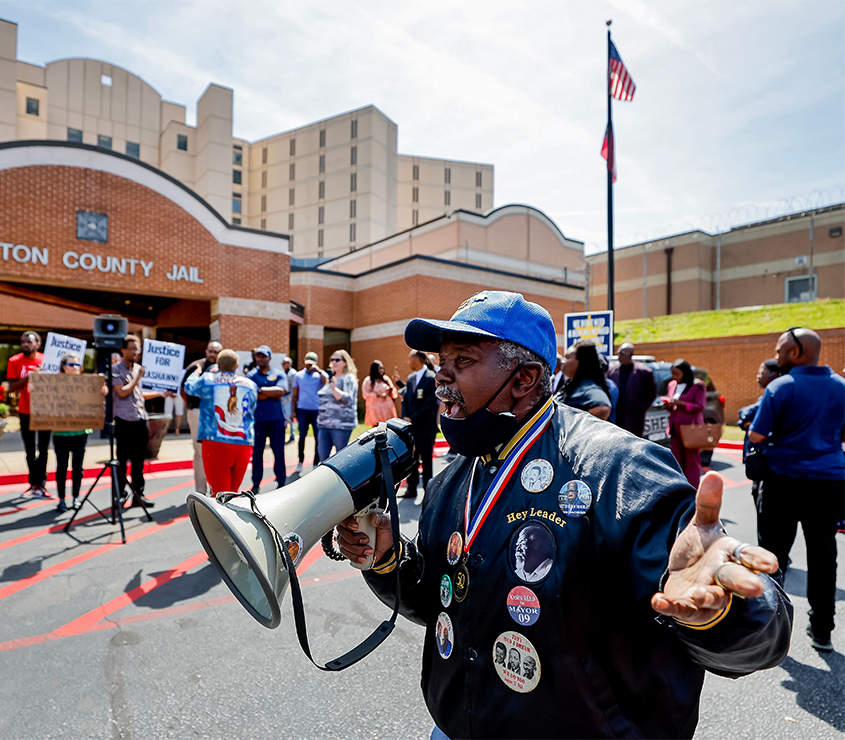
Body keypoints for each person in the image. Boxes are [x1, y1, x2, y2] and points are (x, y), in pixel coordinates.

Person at [336, 290, 791, 739]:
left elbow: (757, 633)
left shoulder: (619, 468)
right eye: (442, 365)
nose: (442, 379)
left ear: (525, 378)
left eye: (464, 362)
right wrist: (389, 558)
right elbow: (444, 600)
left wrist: (726, 612)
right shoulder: (452, 479)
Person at [749, 327, 845, 653]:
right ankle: (823, 630)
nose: (776, 357)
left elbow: (757, 436)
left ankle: (769, 629)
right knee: (823, 556)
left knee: (773, 556)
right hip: (828, 483)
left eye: (779, 351)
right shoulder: (841, 387)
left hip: (782, 483)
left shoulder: (781, 386)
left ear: (795, 353)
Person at [184, 349, 259, 494]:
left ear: (218, 365)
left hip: (215, 443)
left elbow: (189, 387)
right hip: (242, 443)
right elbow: (252, 407)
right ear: (237, 367)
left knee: (219, 496)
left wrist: (196, 372)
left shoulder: (207, 379)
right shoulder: (250, 385)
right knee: (232, 493)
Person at [51, 352, 107, 513]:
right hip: (61, 433)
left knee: (78, 466)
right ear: (63, 367)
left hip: (81, 432)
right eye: (71, 364)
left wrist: (101, 392)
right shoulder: (54, 383)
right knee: (62, 466)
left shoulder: (87, 383)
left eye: (77, 364)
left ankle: (76, 497)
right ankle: (61, 499)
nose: (75, 367)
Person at [112, 334, 161, 509]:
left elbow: (138, 393)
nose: (135, 352)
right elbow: (123, 392)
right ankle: (120, 494)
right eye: (132, 348)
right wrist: (138, 377)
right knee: (122, 460)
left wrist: (160, 394)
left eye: (137, 349)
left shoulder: (137, 369)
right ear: (123, 350)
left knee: (139, 461)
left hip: (140, 419)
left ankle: (138, 495)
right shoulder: (116, 369)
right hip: (124, 421)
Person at [6, 331, 50, 498]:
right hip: (25, 411)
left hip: (45, 412)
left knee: (44, 449)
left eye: (29, 342)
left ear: (37, 344)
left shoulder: (46, 360)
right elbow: (12, 387)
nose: (25, 344)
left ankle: (42, 483)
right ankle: (33, 484)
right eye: (23, 341)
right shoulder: (14, 361)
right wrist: (28, 377)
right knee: (30, 450)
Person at [737, 359, 780, 512]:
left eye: (761, 372)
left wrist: (751, 423)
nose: (758, 376)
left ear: (773, 375)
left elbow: (746, 414)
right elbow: (742, 418)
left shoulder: (772, 396)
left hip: (767, 463)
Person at [181, 341, 222, 495]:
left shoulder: (222, 368)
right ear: (206, 351)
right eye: (211, 351)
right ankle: (200, 491)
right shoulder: (195, 367)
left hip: (217, 414)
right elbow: (183, 389)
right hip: (197, 412)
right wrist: (191, 406)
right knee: (199, 450)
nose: (213, 354)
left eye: (216, 352)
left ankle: (215, 490)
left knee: (216, 451)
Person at [247, 345, 288, 491]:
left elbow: (280, 391)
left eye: (263, 356)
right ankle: (256, 484)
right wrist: (269, 392)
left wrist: (260, 390)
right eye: (258, 356)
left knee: (278, 451)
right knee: (257, 453)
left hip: (277, 420)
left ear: (270, 357)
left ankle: (281, 482)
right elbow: (251, 395)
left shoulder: (279, 374)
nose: (260, 358)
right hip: (258, 421)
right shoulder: (251, 375)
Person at [663, 359, 707, 488]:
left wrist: (680, 404)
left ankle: (693, 491)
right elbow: (673, 408)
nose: (674, 377)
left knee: (692, 462)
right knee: (677, 461)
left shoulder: (697, 385)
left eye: (677, 374)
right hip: (675, 428)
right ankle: (681, 489)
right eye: (673, 374)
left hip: (691, 429)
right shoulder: (672, 384)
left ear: (685, 373)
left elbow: (700, 406)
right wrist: (669, 404)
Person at [403, 349, 438, 500]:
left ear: (417, 359)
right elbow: (405, 400)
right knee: (412, 459)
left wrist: (413, 418)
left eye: (410, 358)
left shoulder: (431, 378)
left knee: (426, 459)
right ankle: (411, 489)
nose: (408, 361)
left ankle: (428, 491)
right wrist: (405, 416)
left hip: (425, 427)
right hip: (411, 427)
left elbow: (430, 405)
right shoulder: (410, 378)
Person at [316, 350, 358, 463]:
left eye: (337, 360)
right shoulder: (331, 378)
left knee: (340, 460)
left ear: (345, 362)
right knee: (323, 459)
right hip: (324, 425)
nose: (334, 362)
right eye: (332, 360)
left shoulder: (348, 378)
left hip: (340, 425)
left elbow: (348, 399)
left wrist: (334, 389)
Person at [609, 342, 657, 437]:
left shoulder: (644, 372)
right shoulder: (611, 371)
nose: (619, 356)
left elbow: (651, 394)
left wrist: (640, 409)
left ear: (630, 355)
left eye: (622, 354)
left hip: (634, 419)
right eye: (618, 353)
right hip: (615, 419)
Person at [557, 340, 611, 420]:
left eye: (567, 357)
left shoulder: (588, 388)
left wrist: (578, 427)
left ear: (581, 361)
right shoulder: (571, 385)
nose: (563, 361)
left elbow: (603, 409)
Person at [291, 351, 328, 469]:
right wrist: (293, 410)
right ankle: (300, 461)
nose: (309, 366)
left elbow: (327, 383)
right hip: (302, 409)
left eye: (311, 364)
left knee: (318, 437)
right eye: (307, 363)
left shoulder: (319, 375)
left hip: (316, 410)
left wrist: (319, 371)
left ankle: (316, 461)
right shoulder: (298, 375)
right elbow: (295, 394)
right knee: (302, 436)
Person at [362, 360, 399, 427]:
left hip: (387, 408)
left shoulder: (386, 379)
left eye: (382, 368)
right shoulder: (368, 381)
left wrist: (391, 391)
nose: (382, 370)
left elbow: (393, 393)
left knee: (389, 426)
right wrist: (377, 395)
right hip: (376, 409)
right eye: (380, 368)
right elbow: (365, 394)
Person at [281, 356, 298, 444]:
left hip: (289, 398)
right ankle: (283, 435)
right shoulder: (283, 373)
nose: (283, 365)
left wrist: (289, 398)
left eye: (285, 363)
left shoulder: (293, 373)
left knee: (290, 417)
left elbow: (294, 388)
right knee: (283, 418)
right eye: (282, 363)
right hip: (283, 398)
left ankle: (292, 435)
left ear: (289, 364)